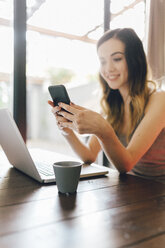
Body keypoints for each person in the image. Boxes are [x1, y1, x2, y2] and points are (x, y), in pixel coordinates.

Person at [48, 28, 165, 182]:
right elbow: (89, 155)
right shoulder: (113, 107)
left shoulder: (159, 100)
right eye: (102, 61)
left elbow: (126, 164)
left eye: (117, 59)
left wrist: (102, 129)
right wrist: (66, 128)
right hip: (132, 189)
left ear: (135, 60)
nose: (108, 68)